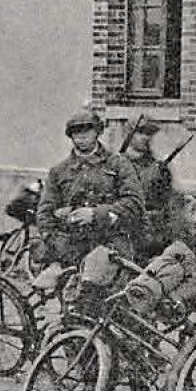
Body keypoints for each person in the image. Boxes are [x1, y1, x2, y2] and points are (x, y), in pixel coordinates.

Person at [33, 108, 145, 313]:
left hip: (112, 247)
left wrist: (96, 214)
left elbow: (135, 204)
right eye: (76, 133)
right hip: (72, 251)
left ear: (98, 132)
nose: (82, 138)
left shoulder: (118, 164)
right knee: (73, 311)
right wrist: (56, 239)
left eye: (87, 131)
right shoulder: (59, 172)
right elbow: (44, 213)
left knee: (112, 312)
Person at [123, 121, 177, 262]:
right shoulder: (117, 165)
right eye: (140, 132)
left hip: (152, 235)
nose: (145, 137)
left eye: (149, 134)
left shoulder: (158, 168)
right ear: (129, 134)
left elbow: (166, 204)